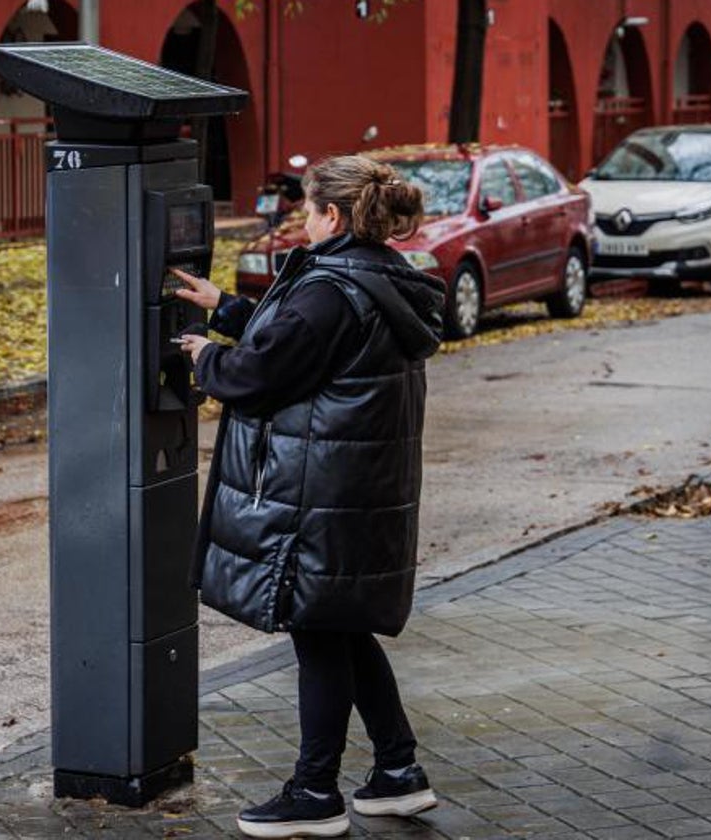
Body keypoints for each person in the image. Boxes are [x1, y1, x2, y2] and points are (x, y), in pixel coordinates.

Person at [173, 155, 445, 838]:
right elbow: (302, 344)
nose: (302, 217)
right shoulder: (381, 276)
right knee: (342, 628)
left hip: (320, 494)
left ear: (335, 215)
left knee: (318, 632)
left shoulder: (330, 288)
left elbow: (265, 372)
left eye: (309, 207)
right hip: (357, 493)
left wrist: (208, 357)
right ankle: (398, 772)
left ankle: (314, 792)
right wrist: (227, 308)